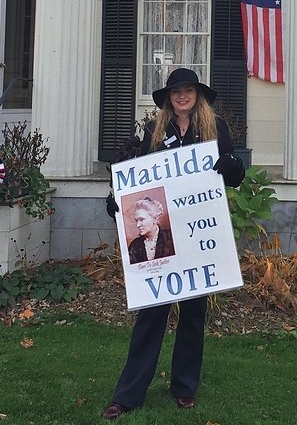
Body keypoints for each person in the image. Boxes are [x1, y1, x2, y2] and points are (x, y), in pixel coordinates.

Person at [102, 67, 245, 420]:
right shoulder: (155, 130)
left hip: (199, 234)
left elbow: (236, 176)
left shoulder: (216, 129)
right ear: (168, 97)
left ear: (197, 96)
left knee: (194, 314)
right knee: (152, 314)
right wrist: (118, 197)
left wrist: (230, 164)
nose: (182, 96)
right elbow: (140, 177)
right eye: (176, 91)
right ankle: (128, 394)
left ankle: (184, 387)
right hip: (164, 231)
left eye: (189, 90)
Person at [126, 196, 175, 264]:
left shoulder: (171, 238)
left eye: (142, 219)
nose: (138, 225)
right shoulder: (135, 246)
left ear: (155, 218)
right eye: (136, 220)